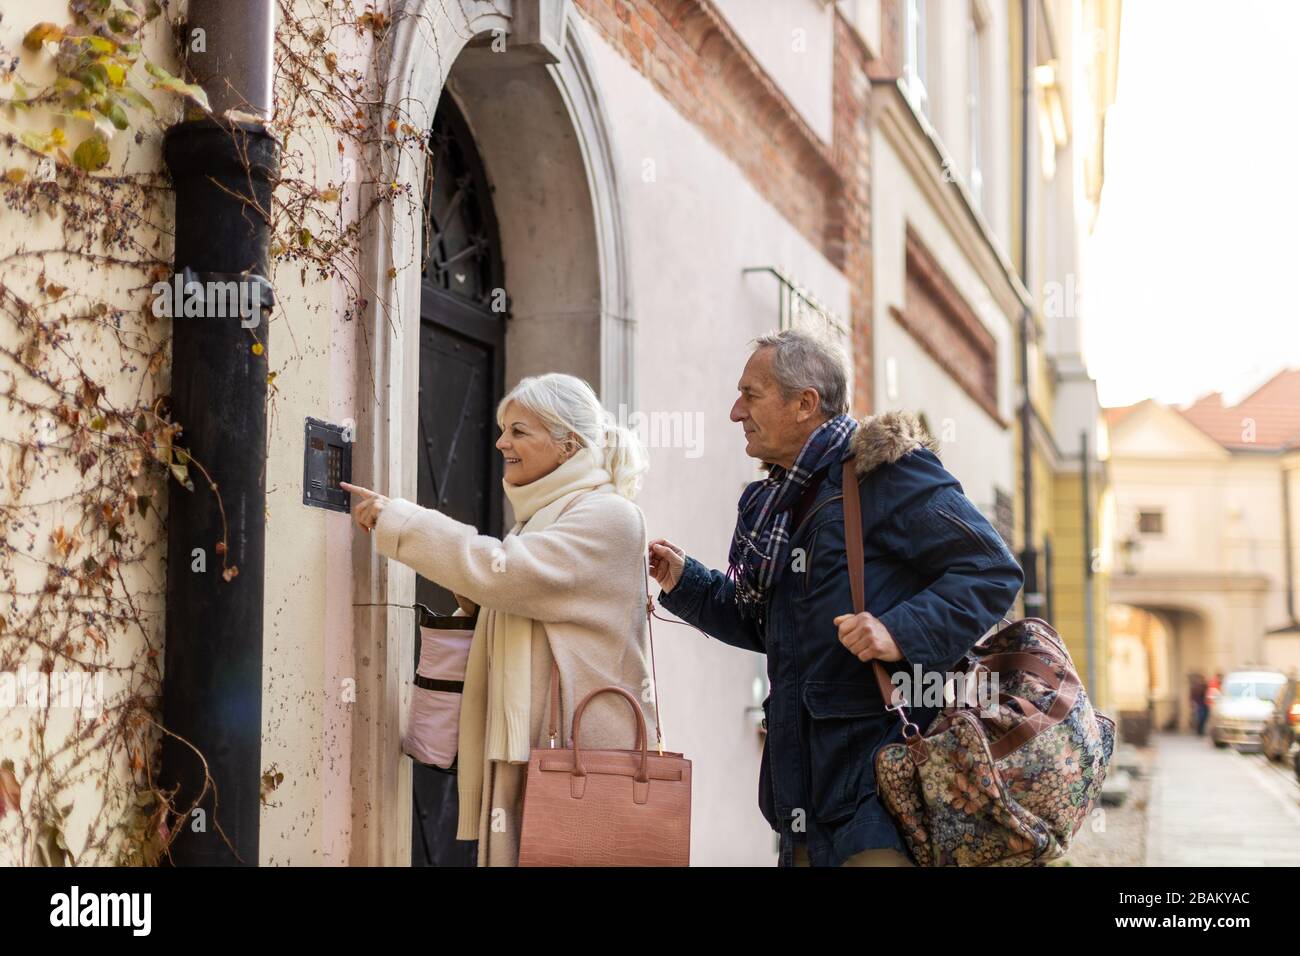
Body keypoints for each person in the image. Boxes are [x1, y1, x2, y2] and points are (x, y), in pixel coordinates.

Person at [648, 329, 1023, 867]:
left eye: (750, 394)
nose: (735, 412)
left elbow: (990, 571)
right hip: (802, 795)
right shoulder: (784, 501)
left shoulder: (886, 472)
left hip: (881, 789)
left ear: (805, 404)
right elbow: (772, 628)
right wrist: (687, 582)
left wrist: (897, 631)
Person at [343, 373, 655, 867]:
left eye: (519, 431)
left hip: (582, 758)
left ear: (568, 442)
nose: (500, 442)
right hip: (540, 749)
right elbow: (517, 590)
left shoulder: (608, 516)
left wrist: (402, 522)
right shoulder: (545, 517)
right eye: (502, 428)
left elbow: (507, 573)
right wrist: (478, 596)